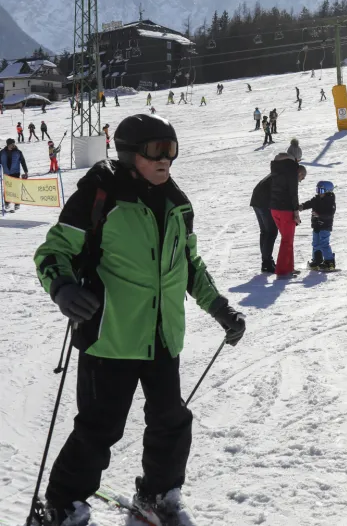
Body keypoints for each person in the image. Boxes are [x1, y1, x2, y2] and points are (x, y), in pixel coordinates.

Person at [30, 113, 246, 526]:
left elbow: (190, 265)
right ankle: (62, 504)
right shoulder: (100, 196)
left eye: (172, 149)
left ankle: (158, 494)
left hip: (163, 338)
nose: (167, 158)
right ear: (131, 154)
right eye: (156, 150)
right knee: (99, 428)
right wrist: (63, 289)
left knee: (171, 422)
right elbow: (53, 252)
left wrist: (219, 307)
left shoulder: (178, 204)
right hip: (110, 336)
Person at [270, 141, 303, 277]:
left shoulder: (276, 165)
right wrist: (295, 211)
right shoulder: (292, 168)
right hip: (285, 209)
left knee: (287, 239)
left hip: (274, 207)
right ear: (296, 157)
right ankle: (283, 271)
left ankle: (289, 267)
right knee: (287, 240)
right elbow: (293, 191)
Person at [299, 180, 337, 271]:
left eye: (321, 191)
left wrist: (319, 215)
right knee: (316, 243)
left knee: (324, 243)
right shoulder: (316, 199)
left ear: (328, 191)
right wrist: (301, 206)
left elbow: (330, 214)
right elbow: (310, 203)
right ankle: (317, 260)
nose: (319, 193)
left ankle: (329, 261)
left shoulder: (330, 201)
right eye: (318, 190)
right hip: (316, 225)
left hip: (325, 226)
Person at [1, 138, 28, 210]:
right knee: (7, 189)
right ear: (8, 145)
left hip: (15, 173)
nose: (13, 145)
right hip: (6, 173)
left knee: (16, 189)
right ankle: (7, 203)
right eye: (11, 144)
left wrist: (26, 171)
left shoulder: (18, 152)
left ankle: (17, 204)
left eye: (13, 143)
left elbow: (23, 162)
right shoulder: (2, 152)